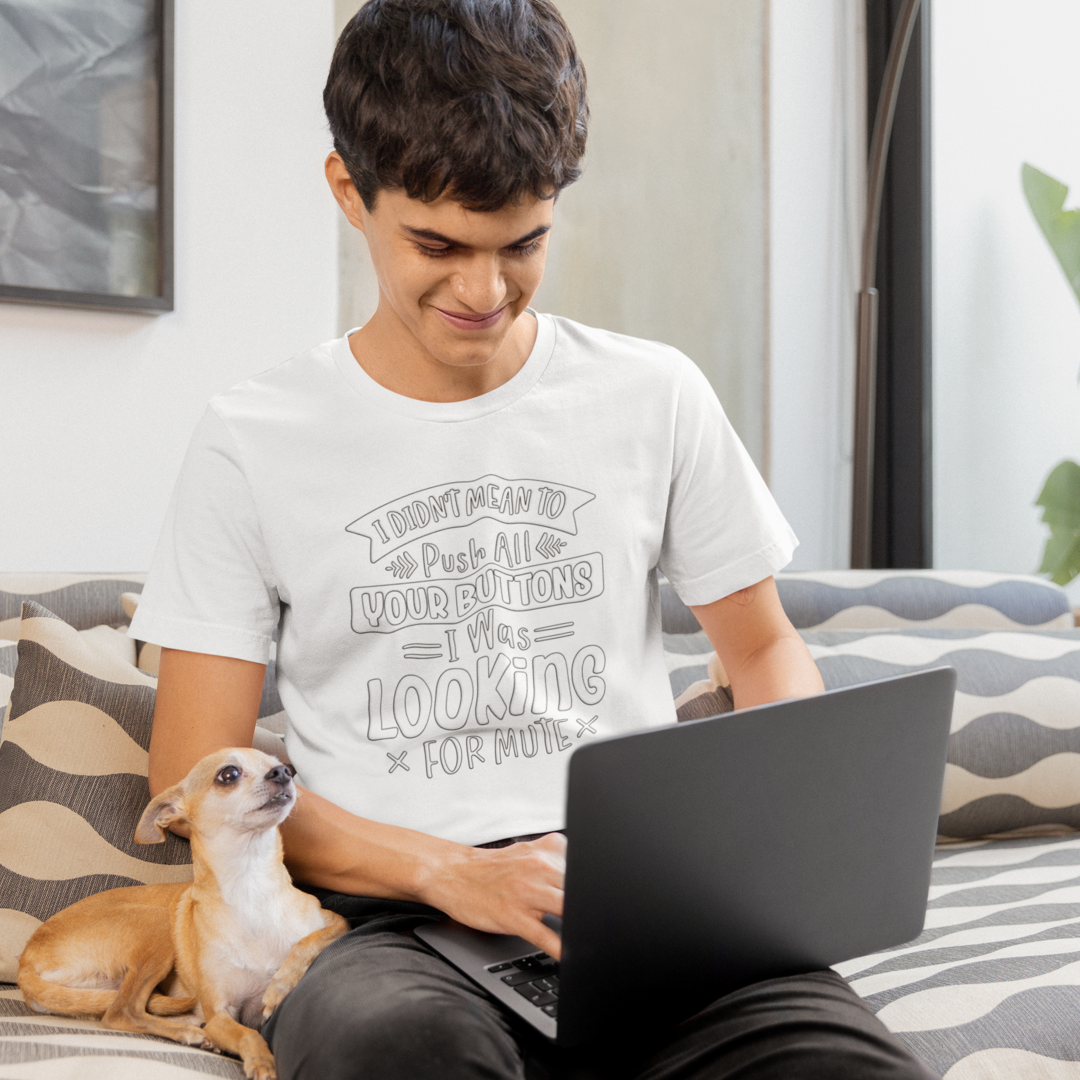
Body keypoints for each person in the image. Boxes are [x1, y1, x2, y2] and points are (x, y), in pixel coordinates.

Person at [130, 1, 935, 1077]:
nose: (483, 290)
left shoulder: (654, 394)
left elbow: (765, 650)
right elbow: (198, 773)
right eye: (437, 244)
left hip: (658, 909)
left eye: (524, 244)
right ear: (347, 191)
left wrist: (781, 856)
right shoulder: (251, 438)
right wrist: (452, 875)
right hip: (388, 933)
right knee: (394, 1053)